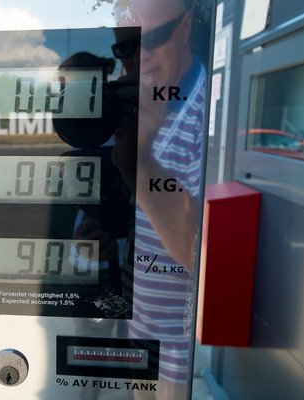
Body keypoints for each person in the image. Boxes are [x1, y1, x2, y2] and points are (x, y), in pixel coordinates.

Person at [111, 0, 207, 398]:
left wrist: (140, 165)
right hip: (140, 334)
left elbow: (200, 256)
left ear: (186, 27)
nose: (141, 58)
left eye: (154, 38)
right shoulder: (141, 103)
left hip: (179, 357)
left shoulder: (209, 113)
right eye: (127, 47)